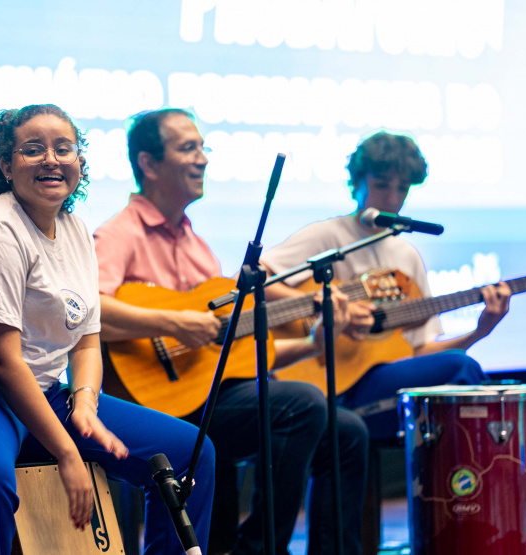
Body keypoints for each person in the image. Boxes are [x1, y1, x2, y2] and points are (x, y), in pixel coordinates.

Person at [0, 104, 215, 555]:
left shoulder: (75, 230)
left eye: (64, 148)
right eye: (32, 150)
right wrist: (66, 452)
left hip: (40, 392)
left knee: (188, 453)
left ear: (79, 162)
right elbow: (2, 360)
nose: (51, 159)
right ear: (6, 166)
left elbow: (86, 340)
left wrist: (85, 404)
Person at [260, 130, 526, 555]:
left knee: (460, 373)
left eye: (402, 188)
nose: (392, 199)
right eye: (382, 185)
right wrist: (326, 304)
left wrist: (480, 330)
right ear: (357, 182)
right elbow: (257, 277)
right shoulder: (328, 236)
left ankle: (483, 529)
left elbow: (420, 353)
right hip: (321, 385)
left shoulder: (406, 257)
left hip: (380, 389)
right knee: (462, 372)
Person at [93, 108, 368, 555]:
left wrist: (311, 344)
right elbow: (91, 309)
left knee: (348, 432)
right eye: (189, 148)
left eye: (203, 148)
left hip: (213, 397)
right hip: (158, 405)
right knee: (300, 405)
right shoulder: (119, 234)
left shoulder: (198, 247)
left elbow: (232, 356)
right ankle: (257, 549)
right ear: (148, 163)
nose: (203, 159)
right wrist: (173, 322)